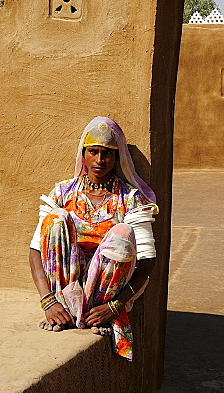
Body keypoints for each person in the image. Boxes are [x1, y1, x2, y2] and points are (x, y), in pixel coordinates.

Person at [28, 116, 158, 360]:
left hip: (105, 291)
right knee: (55, 219)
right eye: (94, 152)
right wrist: (47, 300)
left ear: (117, 157)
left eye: (107, 153)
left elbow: (148, 259)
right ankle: (65, 308)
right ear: (83, 154)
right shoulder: (63, 192)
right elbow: (36, 250)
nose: (100, 160)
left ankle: (92, 313)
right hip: (65, 283)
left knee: (123, 233)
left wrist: (114, 306)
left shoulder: (129, 199)